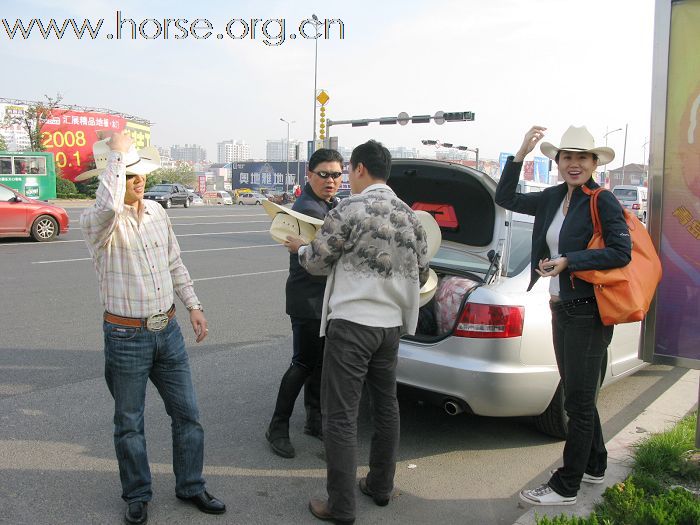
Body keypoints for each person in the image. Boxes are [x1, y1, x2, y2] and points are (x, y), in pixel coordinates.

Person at [80, 131, 225, 524]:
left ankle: (191, 486)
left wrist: (193, 305)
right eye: (127, 174)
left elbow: (174, 262)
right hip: (126, 336)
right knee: (129, 423)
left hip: (169, 332)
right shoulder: (97, 222)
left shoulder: (158, 213)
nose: (137, 179)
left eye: (138, 172)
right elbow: (107, 209)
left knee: (188, 414)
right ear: (110, 177)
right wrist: (116, 155)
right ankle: (138, 494)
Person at [285, 140, 430, 524]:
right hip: (390, 329)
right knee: (387, 407)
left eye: (347, 170)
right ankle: (381, 486)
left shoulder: (349, 208)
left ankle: (341, 505)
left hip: (351, 326)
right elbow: (425, 271)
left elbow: (317, 262)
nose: (345, 177)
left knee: (341, 416)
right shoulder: (410, 216)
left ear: (361, 168)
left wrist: (301, 248)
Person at [495, 125, 631, 506]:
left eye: (582, 158)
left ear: (593, 164)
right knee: (578, 394)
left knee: (578, 403)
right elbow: (504, 196)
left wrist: (570, 261)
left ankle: (566, 485)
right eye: (567, 157)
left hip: (588, 310)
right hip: (561, 308)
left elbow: (622, 252)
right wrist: (521, 151)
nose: (574, 164)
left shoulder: (601, 200)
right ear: (557, 163)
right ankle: (595, 465)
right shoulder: (553, 196)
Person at [265, 148, 344, 458]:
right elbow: (329, 257)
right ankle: (277, 426)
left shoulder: (327, 204)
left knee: (319, 362)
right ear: (309, 175)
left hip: (322, 298)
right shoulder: (310, 208)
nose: (330, 180)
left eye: (336, 174)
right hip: (308, 299)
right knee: (303, 363)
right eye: (323, 174)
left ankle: (315, 419)